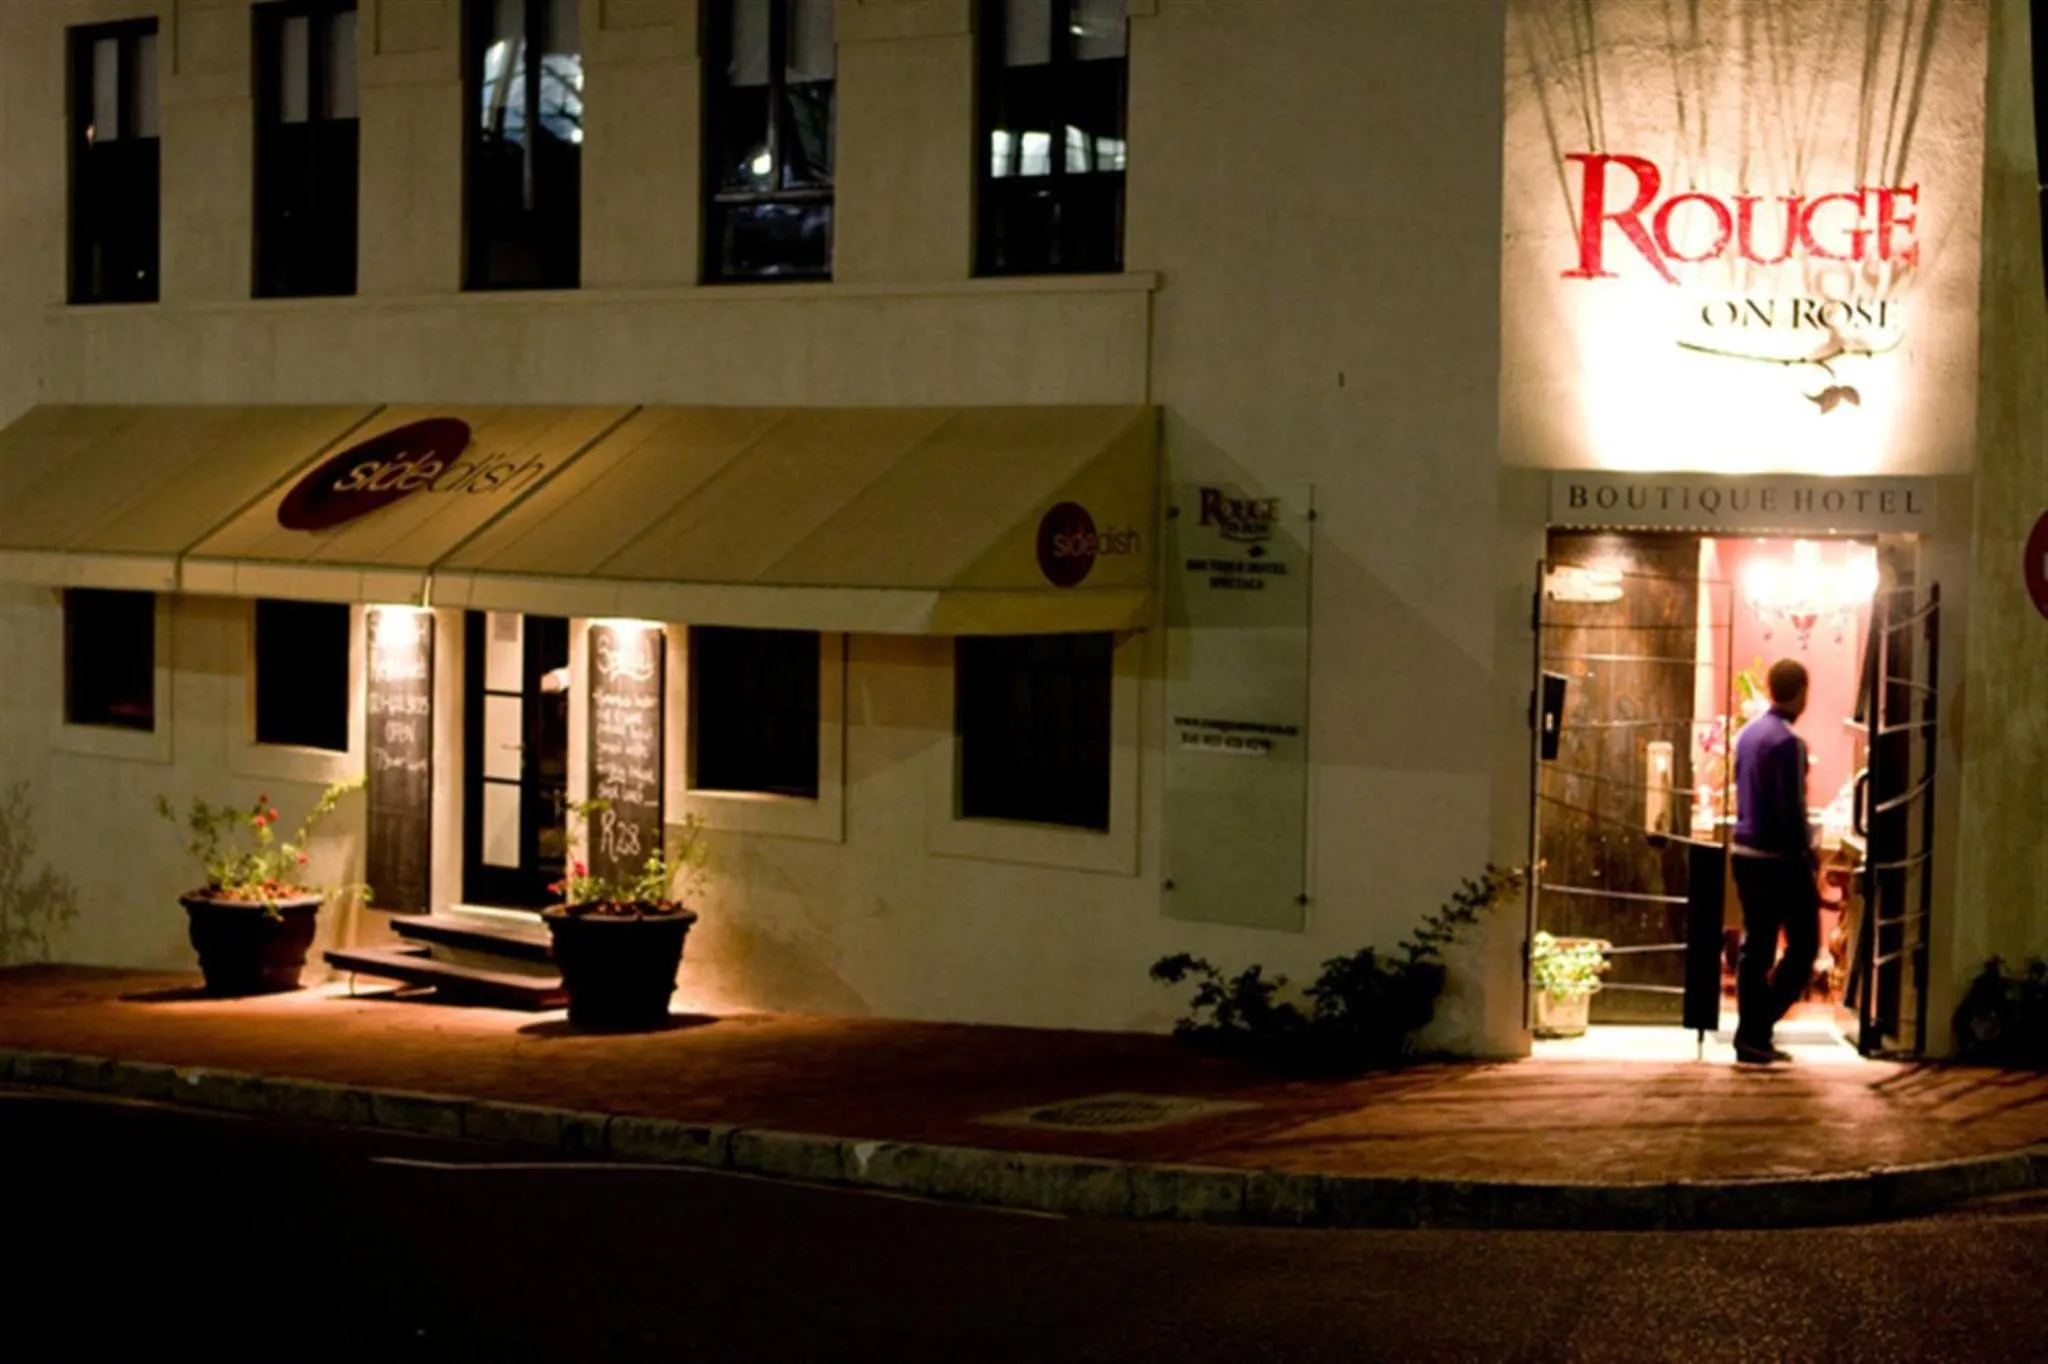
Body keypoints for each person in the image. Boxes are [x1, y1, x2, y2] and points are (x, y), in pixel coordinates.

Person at [1730, 658, 1822, 1065]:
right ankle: (1757, 1027)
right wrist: (1808, 855)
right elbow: (1791, 809)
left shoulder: (1747, 735)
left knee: (1757, 944)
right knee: (1804, 947)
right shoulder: (1789, 743)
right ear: (1801, 691)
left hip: (1745, 853)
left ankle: (1752, 1035)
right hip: (1779, 857)